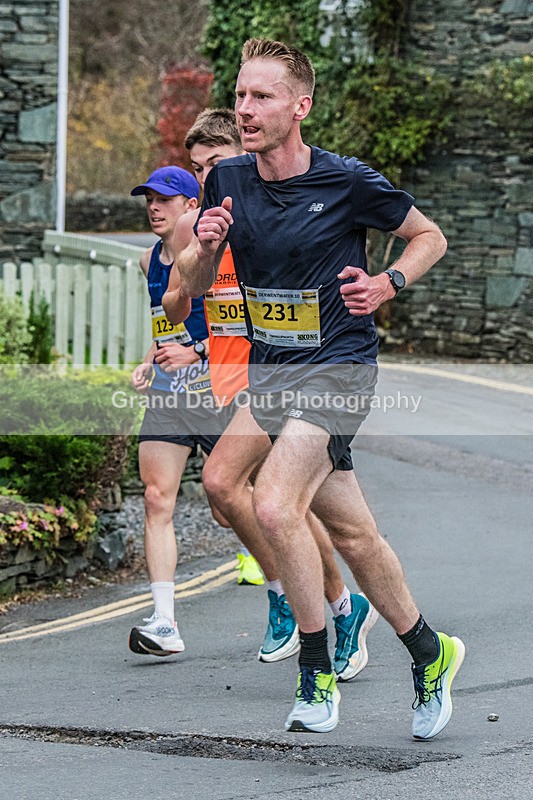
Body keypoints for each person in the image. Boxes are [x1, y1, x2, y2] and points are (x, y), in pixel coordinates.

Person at [172, 39, 465, 739]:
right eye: (240, 95)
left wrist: (386, 281)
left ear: (299, 106)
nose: (245, 109)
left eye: (261, 97)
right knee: (353, 534)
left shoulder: (347, 182)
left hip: (338, 366)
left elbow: (429, 237)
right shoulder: (227, 182)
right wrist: (205, 246)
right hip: (274, 373)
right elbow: (183, 288)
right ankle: (431, 652)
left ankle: (316, 669)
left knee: (273, 504)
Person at [164, 108, 378, 674]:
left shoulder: (270, 210)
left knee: (273, 499)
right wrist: (194, 274)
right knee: (252, 498)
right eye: (198, 167)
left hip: (288, 374)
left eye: (215, 163)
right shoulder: (204, 220)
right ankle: (332, 603)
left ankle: (302, 604)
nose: (207, 177)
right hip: (234, 375)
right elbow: (176, 301)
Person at [127, 165, 250, 657]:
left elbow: (236, 322)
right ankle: (164, 621)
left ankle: (302, 594)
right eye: (148, 200)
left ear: (189, 205)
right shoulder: (146, 261)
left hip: (215, 392)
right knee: (157, 498)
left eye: (164, 199)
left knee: (229, 510)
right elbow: (162, 323)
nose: (154, 207)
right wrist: (147, 360)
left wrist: (195, 352)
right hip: (167, 396)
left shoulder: (213, 252)